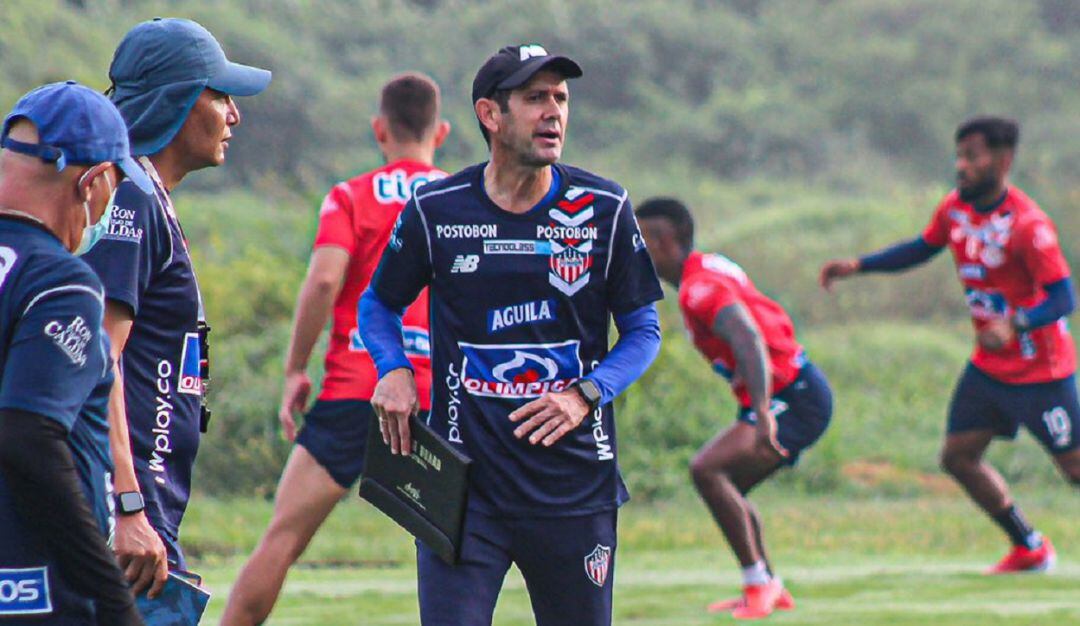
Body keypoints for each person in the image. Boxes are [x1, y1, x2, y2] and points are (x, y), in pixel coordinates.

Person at [358, 45, 664, 626]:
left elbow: (643, 331)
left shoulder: (604, 207)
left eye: (561, 98)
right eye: (534, 98)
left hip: (574, 490)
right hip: (464, 492)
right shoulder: (436, 208)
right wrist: (393, 370)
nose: (553, 112)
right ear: (490, 115)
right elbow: (378, 303)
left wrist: (584, 395)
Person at [220, 72, 450, 625]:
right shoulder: (459, 201)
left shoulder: (350, 197)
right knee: (458, 549)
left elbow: (324, 281)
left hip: (356, 389)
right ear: (440, 132)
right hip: (435, 397)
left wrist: (295, 369)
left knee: (283, 538)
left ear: (379, 129)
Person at [820, 116, 1079, 573]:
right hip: (990, 370)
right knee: (958, 457)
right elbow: (922, 247)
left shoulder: (1028, 225)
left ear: (1003, 160)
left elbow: (1063, 299)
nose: (961, 166)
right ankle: (1030, 547)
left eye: (972, 157)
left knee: (1075, 471)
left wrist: (1016, 324)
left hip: (1042, 374)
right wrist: (859, 265)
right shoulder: (956, 209)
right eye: (959, 156)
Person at [80, 17, 271, 596]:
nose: (234, 116)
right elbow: (99, 359)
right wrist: (128, 504)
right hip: (123, 510)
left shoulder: (143, 191)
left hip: (145, 505)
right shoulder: (130, 198)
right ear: (177, 101)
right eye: (221, 96)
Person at [0, 81, 154, 625]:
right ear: (90, 184)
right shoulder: (60, 283)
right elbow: (29, 435)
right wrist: (112, 598)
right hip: (32, 589)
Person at [636, 197, 833, 620]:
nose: (635, 249)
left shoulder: (699, 288)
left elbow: (747, 336)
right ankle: (767, 585)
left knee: (707, 471)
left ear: (664, 240)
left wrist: (762, 413)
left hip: (793, 396)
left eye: (640, 239)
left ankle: (759, 584)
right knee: (726, 488)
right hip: (792, 388)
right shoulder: (707, 267)